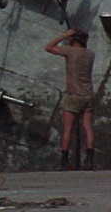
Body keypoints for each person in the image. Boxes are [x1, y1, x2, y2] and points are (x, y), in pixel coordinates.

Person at [45, 28, 95, 170]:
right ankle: (89, 160)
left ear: (73, 40)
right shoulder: (91, 54)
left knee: (68, 129)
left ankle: (64, 161)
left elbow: (48, 47)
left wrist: (64, 35)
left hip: (73, 95)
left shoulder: (70, 51)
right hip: (88, 95)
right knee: (88, 127)